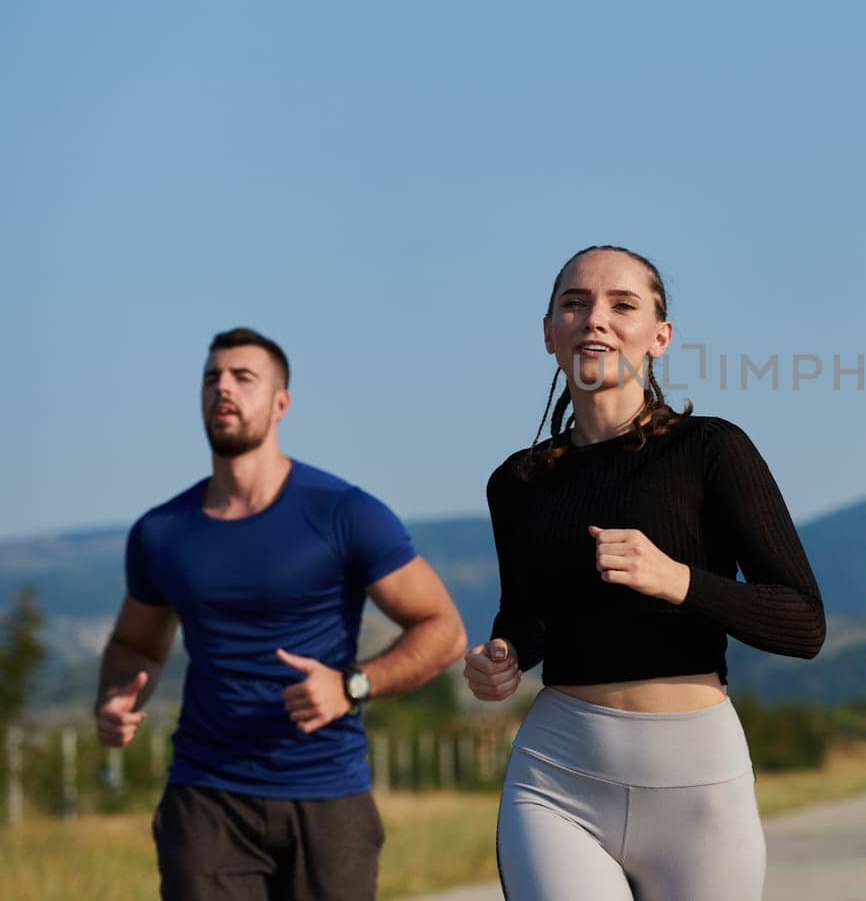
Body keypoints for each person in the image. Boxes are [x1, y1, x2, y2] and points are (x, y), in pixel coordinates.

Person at [462, 244, 826, 901]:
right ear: (549, 333)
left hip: (697, 786)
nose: (595, 318)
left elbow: (803, 622)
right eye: (574, 303)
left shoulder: (712, 450)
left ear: (660, 335)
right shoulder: (516, 482)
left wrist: (679, 579)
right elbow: (526, 615)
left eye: (621, 304)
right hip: (558, 777)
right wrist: (505, 654)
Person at [94, 327, 467, 901]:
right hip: (206, 798)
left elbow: (443, 631)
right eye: (212, 378)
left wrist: (353, 685)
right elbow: (136, 646)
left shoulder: (344, 512)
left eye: (244, 378)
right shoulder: (161, 532)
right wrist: (115, 699)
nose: (224, 388)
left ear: (280, 403)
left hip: (327, 796)